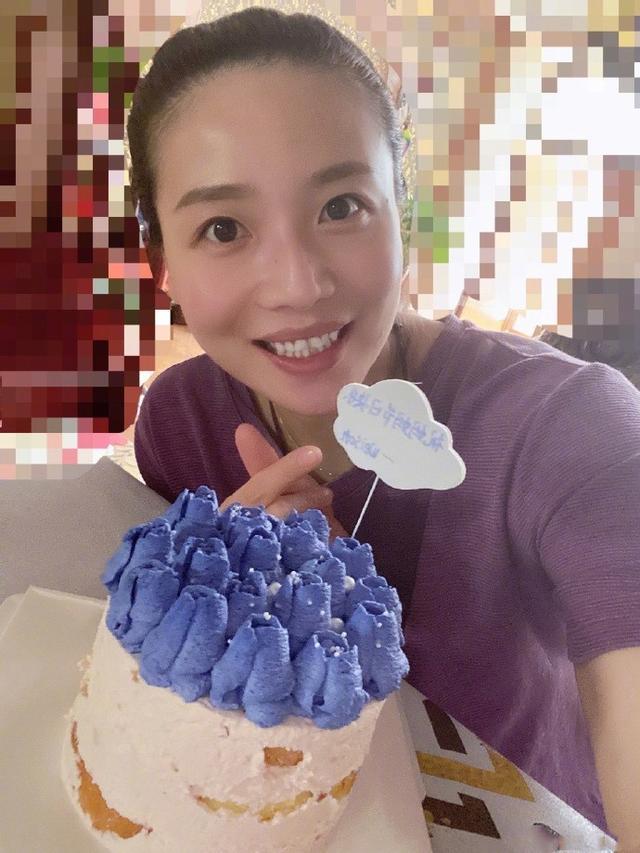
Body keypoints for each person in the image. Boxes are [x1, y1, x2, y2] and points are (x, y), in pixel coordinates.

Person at [126, 7, 640, 848]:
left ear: (400, 212)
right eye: (223, 228)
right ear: (164, 267)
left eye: (341, 206)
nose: (297, 285)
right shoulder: (179, 427)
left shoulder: (567, 426)